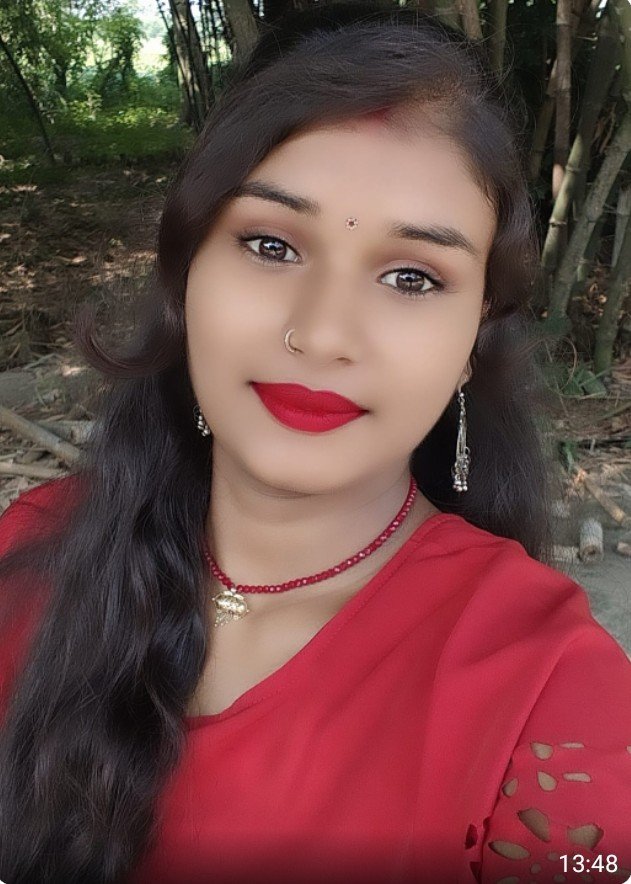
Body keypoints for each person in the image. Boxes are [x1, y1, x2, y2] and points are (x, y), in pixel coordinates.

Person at [0, 3, 630, 883]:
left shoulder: (547, 685)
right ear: (186, 276)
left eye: (412, 277)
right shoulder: (27, 554)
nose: (324, 333)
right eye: (270, 244)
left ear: (472, 337)